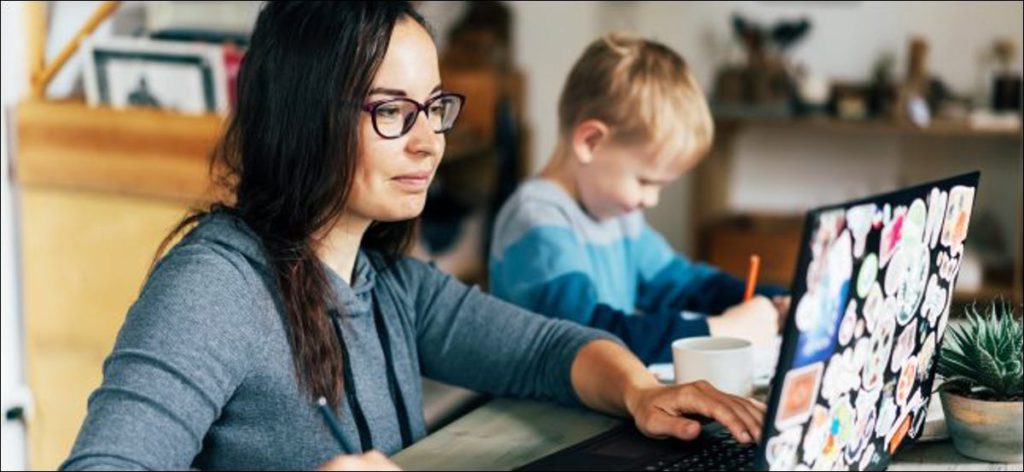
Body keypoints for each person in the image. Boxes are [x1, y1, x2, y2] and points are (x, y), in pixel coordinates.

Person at [62, 4, 766, 470]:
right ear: (306, 118)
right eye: (395, 111)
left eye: (434, 107)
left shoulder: (386, 283)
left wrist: (641, 393)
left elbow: (548, 348)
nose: (431, 141)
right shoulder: (215, 287)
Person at [489, 33, 790, 365]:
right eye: (645, 181)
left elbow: (682, 284)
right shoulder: (537, 221)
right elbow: (592, 337)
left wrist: (773, 300)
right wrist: (717, 330)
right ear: (591, 142)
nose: (652, 199)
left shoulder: (617, 214)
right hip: (535, 411)